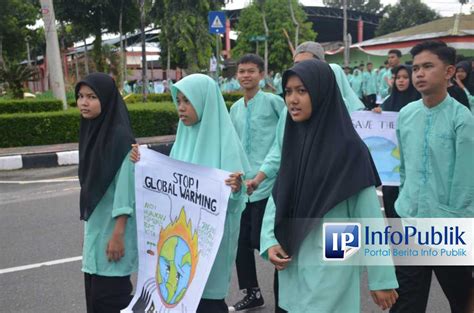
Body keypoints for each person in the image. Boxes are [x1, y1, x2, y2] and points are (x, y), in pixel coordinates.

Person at [260, 59, 399, 313]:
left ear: (322, 92)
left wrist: (382, 278)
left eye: (302, 91)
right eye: (288, 92)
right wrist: (270, 238)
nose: (292, 99)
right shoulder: (295, 140)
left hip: (335, 250)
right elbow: (279, 193)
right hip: (295, 253)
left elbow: (369, 218)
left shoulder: (349, 149)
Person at [131, 73, 250, 313]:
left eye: (188, 101)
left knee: (208, 301)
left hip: (210, 245)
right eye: (179, 101)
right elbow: (168, 185)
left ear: (204, 101)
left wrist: (236, 190)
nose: (181, 108)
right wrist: (142, 163)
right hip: (179, 240)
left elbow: (238, 200)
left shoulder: (225, 142)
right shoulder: (182, 140)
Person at [391, 40, 474, 313]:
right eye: (416, 68)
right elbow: (404, 167)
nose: (419, 74)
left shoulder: (462, 119)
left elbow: (466, 182)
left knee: (461, 297)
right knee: (407, 300)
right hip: (411, 221)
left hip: (448, 227)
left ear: (449, 72)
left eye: (428, 66)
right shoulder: (406, 114)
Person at [77, 73, 138, 313]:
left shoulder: (120, 138)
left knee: (111, 301)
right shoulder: (91, 132)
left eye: (92, 97)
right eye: (80, 96)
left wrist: (118, 234)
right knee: (95, 301)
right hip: (95, 235)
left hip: (113, 235)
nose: (84, 102)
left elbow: (125, 193)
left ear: (107, 99)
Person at [229, 54, 285, 312]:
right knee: (240, 243)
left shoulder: (275, 103)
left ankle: (285, 297)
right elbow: (233, 146)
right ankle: (252, 292)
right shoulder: (235, 109)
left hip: (269, 187)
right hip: (244, 190)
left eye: (251, 71)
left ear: (262, 75)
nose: (245, 76)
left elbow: (280, 144)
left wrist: (261, 176)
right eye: (241, 71)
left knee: (274, 242)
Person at [372, 65, 421, 219]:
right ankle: (395, 235)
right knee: (389, 197)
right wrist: (377, 114)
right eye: (398, 78)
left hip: (413, 160)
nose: (401, 81)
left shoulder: (419, 103)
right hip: (391, 163)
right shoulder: (388, 101)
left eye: (405, 78)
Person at [293, 41, 365, 113]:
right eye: (297, 65)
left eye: (307, 65)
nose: (301, 70)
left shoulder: (339, 107)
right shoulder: (293, 106)